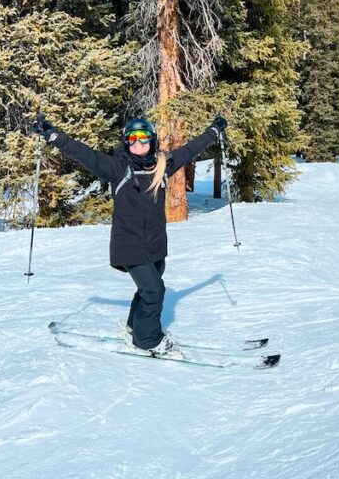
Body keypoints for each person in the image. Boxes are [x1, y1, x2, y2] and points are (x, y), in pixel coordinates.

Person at [30, 112, 228, 357]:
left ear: (152, 140)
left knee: (146, 291)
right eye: (132, 139)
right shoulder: (117, 168)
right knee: (155, 292)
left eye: (143, 138)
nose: (137, 143)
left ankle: (136, 329)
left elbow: (189, 150)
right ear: (126, 142)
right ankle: (148, 340)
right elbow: (82, 153)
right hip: (130, 246)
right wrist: (52, 134)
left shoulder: (162, 165)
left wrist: (214, 131)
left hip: (156, 245)